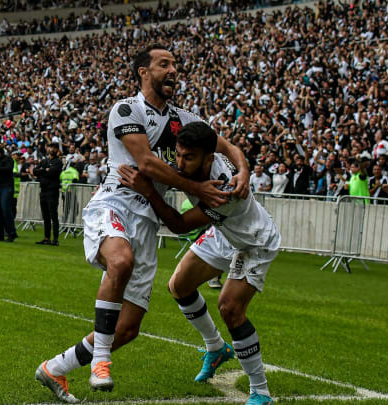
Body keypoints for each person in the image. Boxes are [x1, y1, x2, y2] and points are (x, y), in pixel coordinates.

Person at [35, 44, 250, 403]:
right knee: (120, 261)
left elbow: (227, 146)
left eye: (176, 65)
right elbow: (146, 164)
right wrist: (197, 187)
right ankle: (100, 361)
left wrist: (243, 170)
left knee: (129, 328)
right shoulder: (126, 109)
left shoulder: (185, 119)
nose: (173, 70)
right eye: (164, 64)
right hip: (114, 203)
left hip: (148, 220)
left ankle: (54, 368)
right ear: (143, 72)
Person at [117, 122, 279, 405]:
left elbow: (179, 224)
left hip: (253, 241)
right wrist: (245, 169)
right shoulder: (204, 155)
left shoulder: (223, 189)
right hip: (225, 232)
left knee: (230, 307)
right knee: (179, 286)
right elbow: (230, 146)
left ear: (208, 158)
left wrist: (149, 191)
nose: (180, 163)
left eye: (187, 157)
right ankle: (216, 348)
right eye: (178, 155)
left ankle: (260, 392)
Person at [31, 142, 63, 246]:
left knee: (53, 215)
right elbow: (35, 171)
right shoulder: (44, 161)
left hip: (52, 191)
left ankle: (56, 239)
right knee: (45, 216)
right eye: (51, 147)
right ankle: (47, 237)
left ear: (57, 150)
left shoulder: (58, 162)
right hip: (43, 190)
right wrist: (44, 170)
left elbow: (52, 173)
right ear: (48, 148)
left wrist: (42, 172)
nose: (52, 149)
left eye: (54, 148)